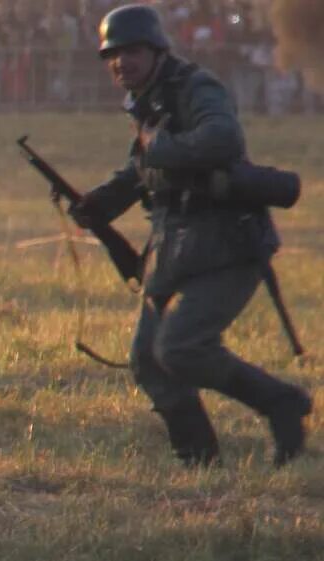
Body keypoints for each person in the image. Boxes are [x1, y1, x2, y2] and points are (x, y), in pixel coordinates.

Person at [74, 4, 309, 467]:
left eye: (133, 50)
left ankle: (280, 401)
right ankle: (200, 462)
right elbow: (140, 170)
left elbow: (221, 139)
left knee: (180, 348)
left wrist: (157, 148)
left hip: (226, 244)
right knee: (147, 359)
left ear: (156, 49)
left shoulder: (195, 87)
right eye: (114, 55)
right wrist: (98, 204)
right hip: (175, 245)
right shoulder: (146, 99)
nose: (123, 62)